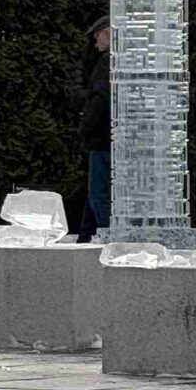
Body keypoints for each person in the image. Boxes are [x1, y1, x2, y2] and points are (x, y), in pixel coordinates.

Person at [80, 18, 112, 242]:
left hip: (102, 139)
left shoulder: (108, 62)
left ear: (109, 33)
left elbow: (100, 99)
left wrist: (85, 126)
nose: (95, 43)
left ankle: (108, 238)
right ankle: (86, 237)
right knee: (94, 194)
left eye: (97, 36)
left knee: (99, 193)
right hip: (114, 139)